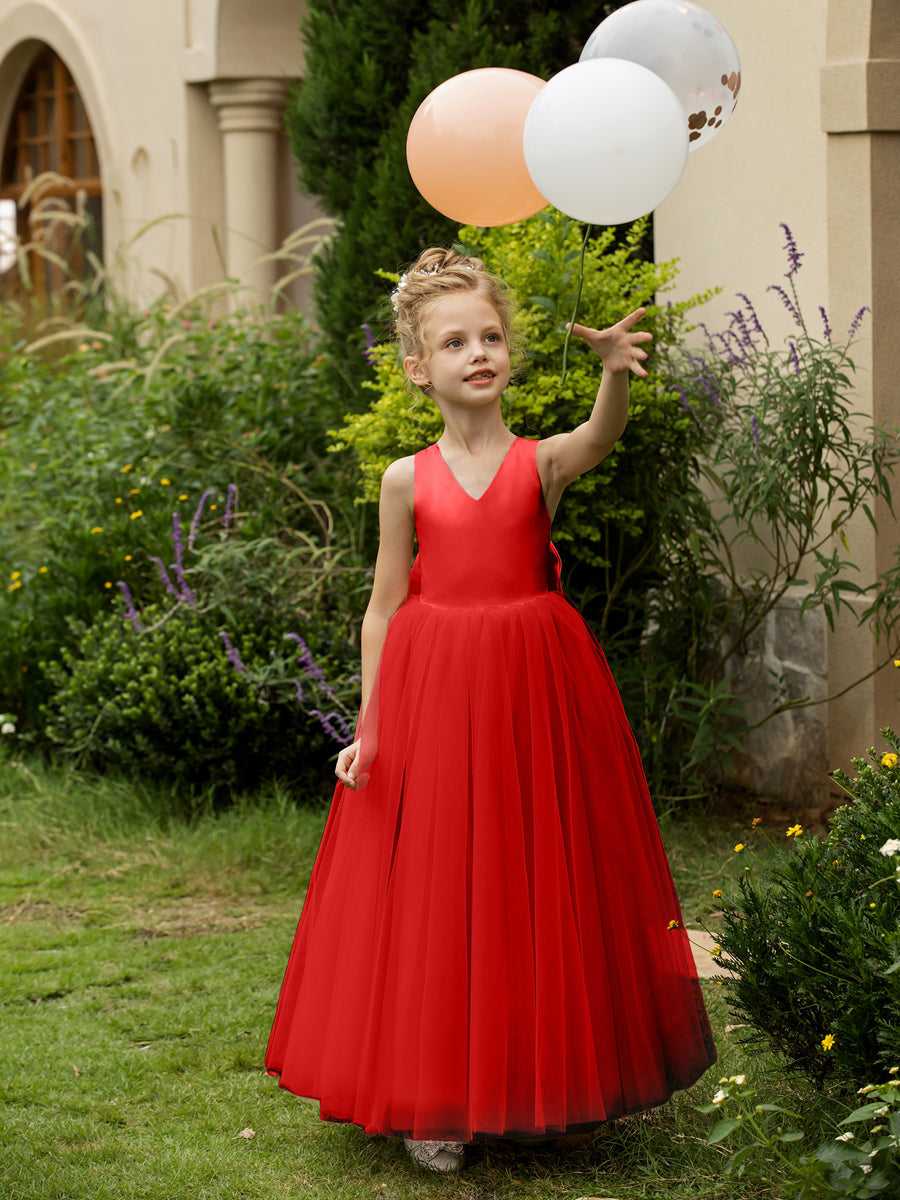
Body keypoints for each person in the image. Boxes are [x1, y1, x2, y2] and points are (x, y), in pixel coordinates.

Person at [266, 247, 716, 1174]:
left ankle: (543, 1077)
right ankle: (438, 1095)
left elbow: (600, 439)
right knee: (440, 881)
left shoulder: (538, 461)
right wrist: (371, 728)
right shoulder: (406, 479)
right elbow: (385, 604)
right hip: (434, 690)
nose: (479, 352)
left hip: (534, 687)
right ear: (416, 367)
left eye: (492, 336)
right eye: (455, 341)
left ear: (509, 352)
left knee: (535, 873)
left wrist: (610, 376)